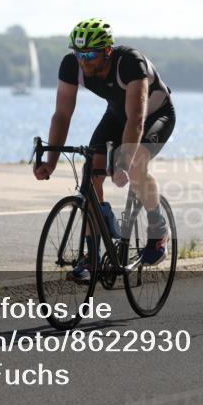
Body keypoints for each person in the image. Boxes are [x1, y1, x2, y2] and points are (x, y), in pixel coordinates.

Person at [33, 18, 175, 280]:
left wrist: (124, 162)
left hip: (155, 115)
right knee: (92, 173)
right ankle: (92, 257)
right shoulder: (71, 65)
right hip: (116, 114)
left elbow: (137, 120)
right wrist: (51, 161)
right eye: (79, 53)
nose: (83, 61)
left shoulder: (130, 63)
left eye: (90, 54)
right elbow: (62, 115)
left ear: (107, 51)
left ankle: (158, 228)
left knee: (134, 164)